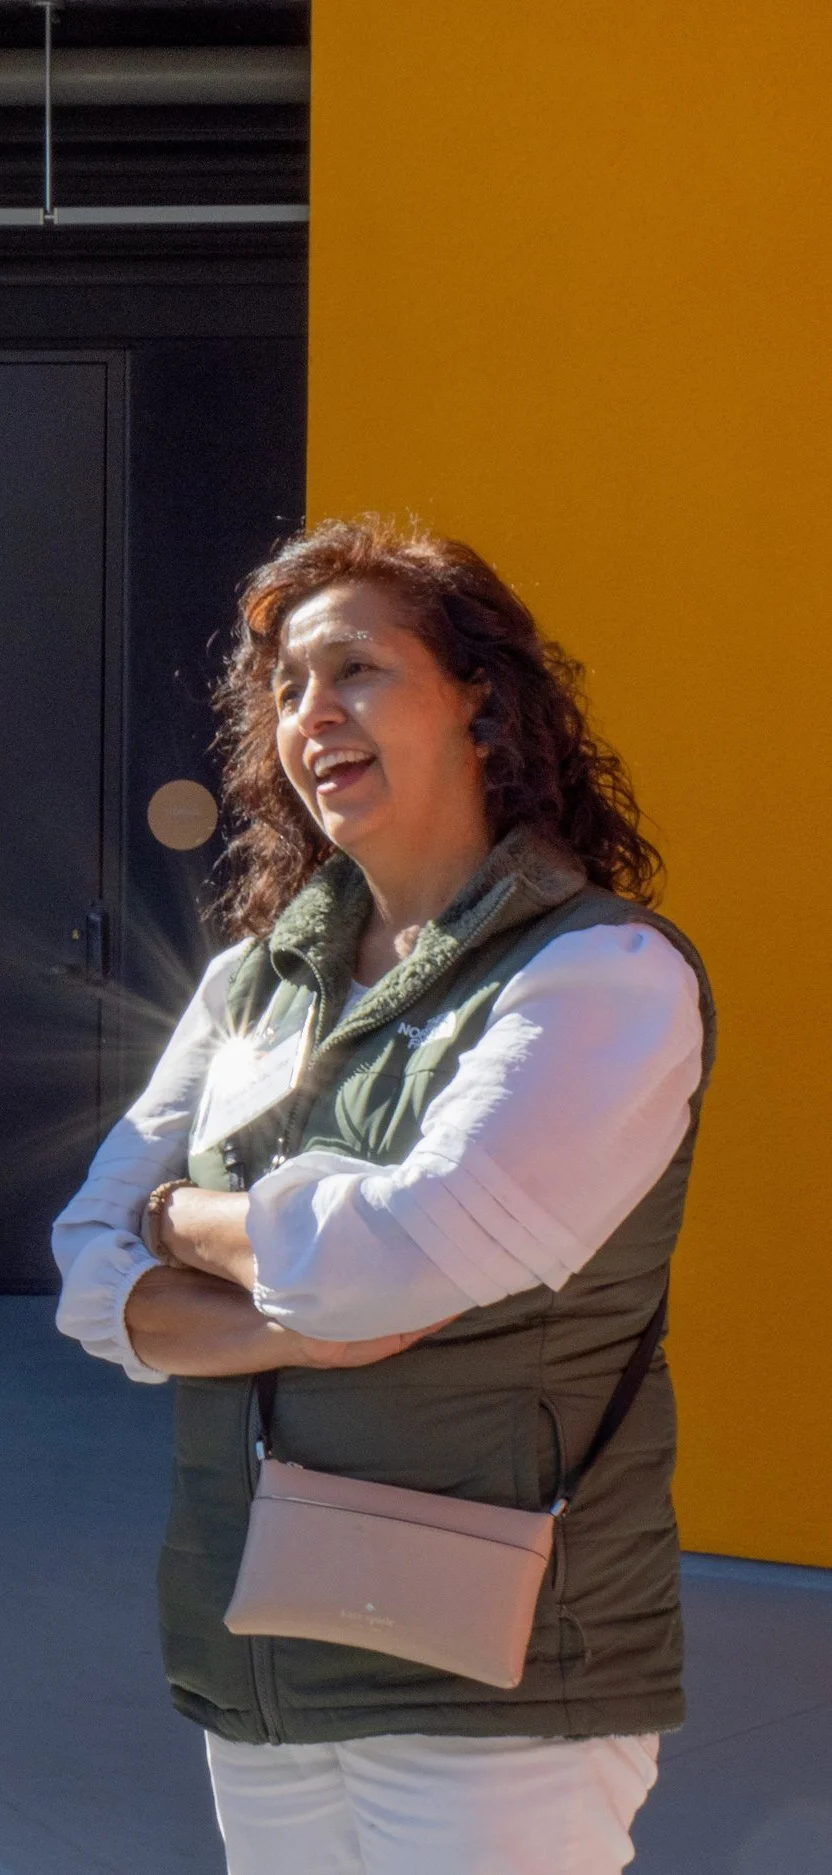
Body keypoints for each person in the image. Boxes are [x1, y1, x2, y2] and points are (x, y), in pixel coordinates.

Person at [52, 517, 711, 1875]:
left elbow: (393, 1256)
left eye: (355, 667)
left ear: (483, 696)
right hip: (262, 1651)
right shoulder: (255, 978)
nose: (312, 714)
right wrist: (284, 1323)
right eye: (286, 686)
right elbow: (85, 1268)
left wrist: (189, 1222)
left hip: (495, 1676)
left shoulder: (600, 976)